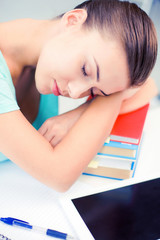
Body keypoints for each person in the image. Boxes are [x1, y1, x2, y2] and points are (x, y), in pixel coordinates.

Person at [0, 0, 158, 191]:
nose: (75, 93)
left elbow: (148, 86)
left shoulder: (46, 55)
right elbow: (58, 175)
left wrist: (76, 114)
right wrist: (114, 95)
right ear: (72, 21)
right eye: (86, 70)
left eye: (93, 92)